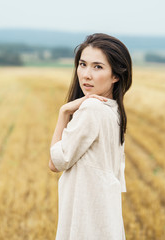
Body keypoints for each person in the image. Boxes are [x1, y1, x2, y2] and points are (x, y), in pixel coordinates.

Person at [49, 33, 132, 240]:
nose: (86, 74)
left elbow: (55, 162)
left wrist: (64, 112)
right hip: (106, 220)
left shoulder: (92, 109)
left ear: (116, 75)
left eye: (98, 67)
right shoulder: (115, 111)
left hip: (87, 223)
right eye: (83, 64)